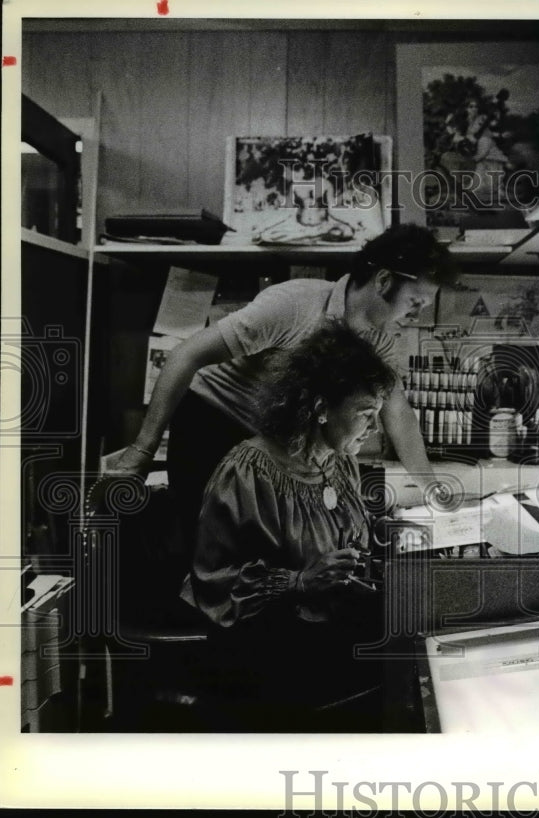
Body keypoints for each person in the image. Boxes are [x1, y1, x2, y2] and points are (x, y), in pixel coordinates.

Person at [109, 224, 458, 541]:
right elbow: (185, 355)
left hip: (273, 439)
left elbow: (397, 413)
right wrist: (142, 451)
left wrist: (430, 488)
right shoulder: (294, 305)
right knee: (212, 542)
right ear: (383, 281)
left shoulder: (379, 338)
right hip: (212, 420)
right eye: (415, 302)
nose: (417, 316)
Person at [180, 324, 397, 731]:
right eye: (366, 413)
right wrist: (297, 582)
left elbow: (345, 542)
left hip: (325, 625)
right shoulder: (249, 470)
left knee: (411, 643)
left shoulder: (338, 460)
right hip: (266, 642)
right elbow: (214, 582)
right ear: (320, 408)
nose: (375, 428)